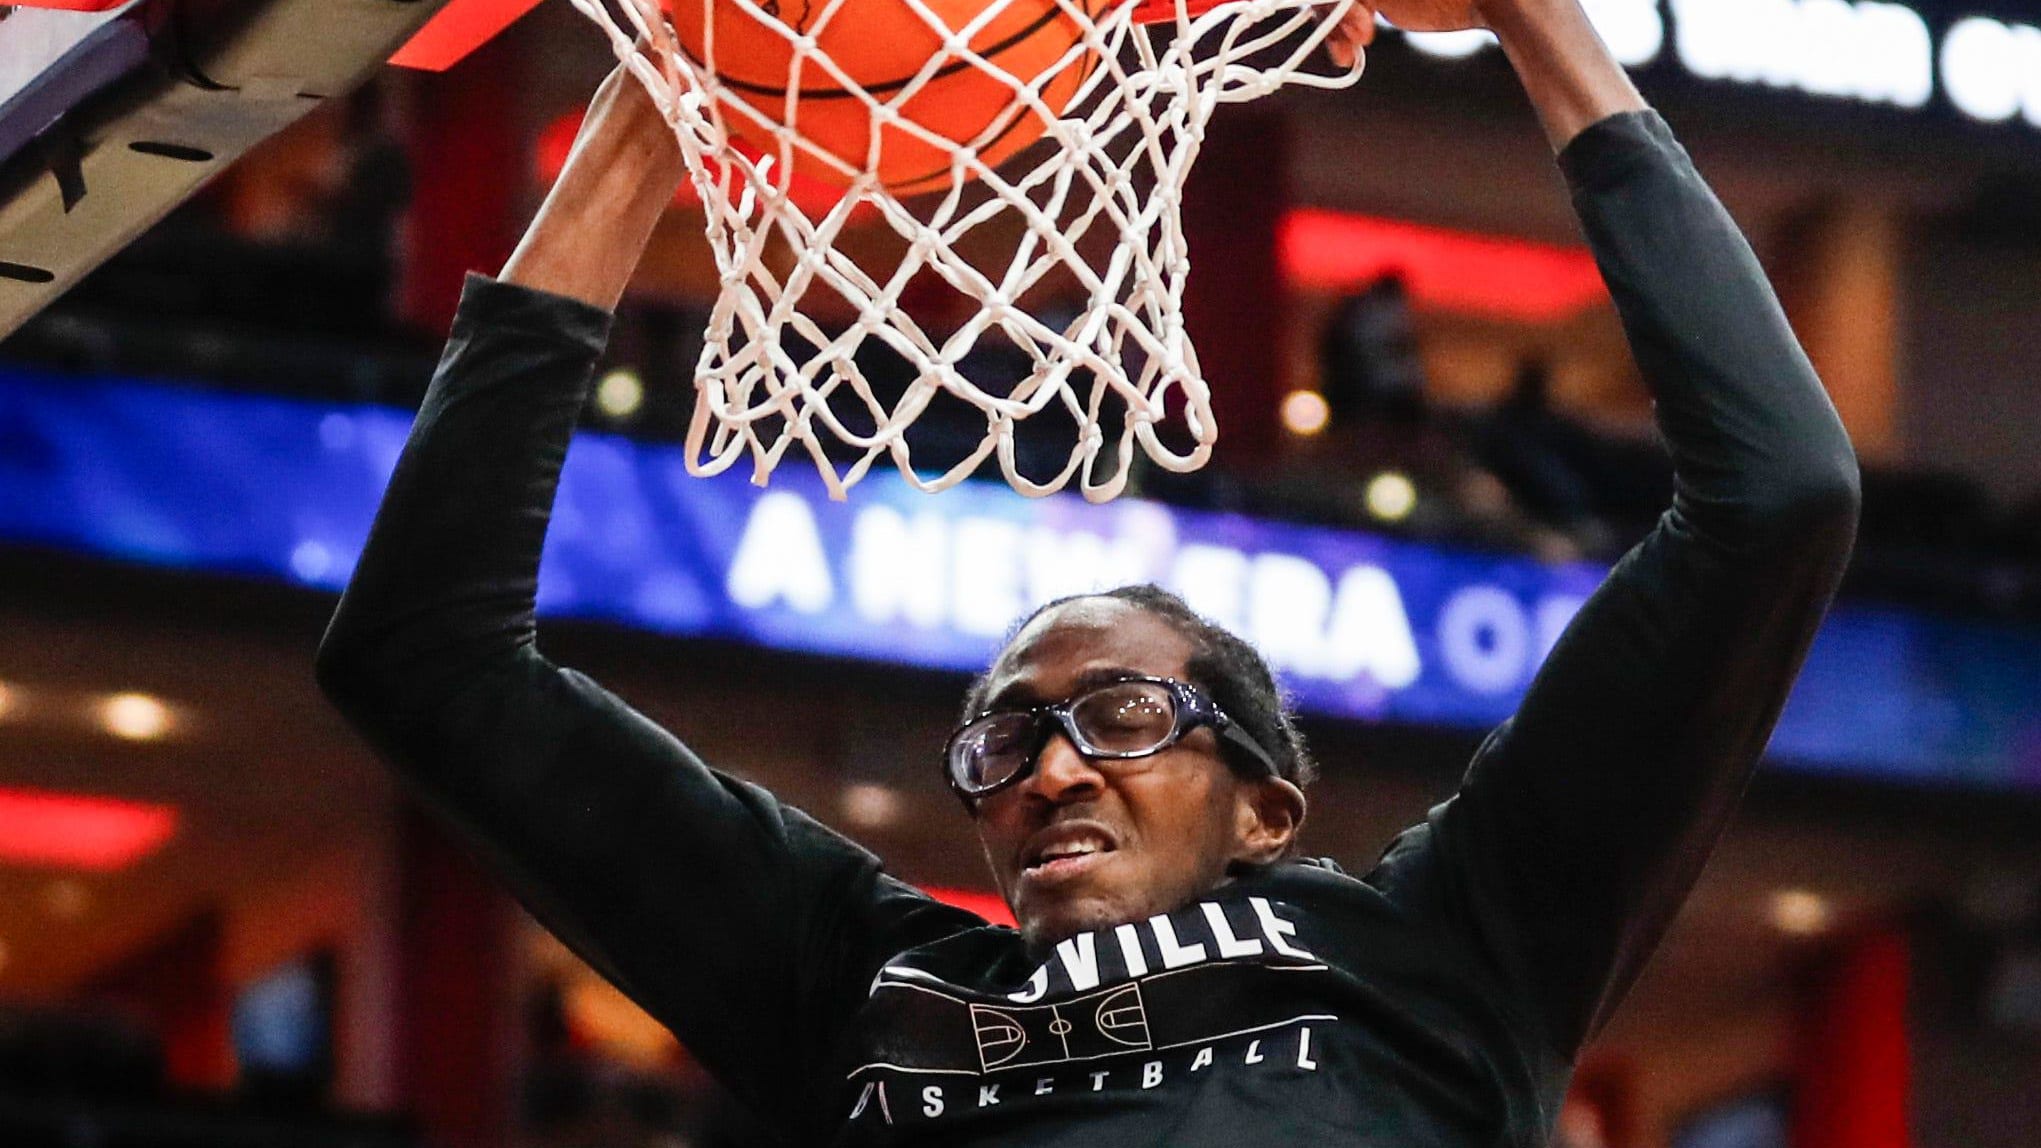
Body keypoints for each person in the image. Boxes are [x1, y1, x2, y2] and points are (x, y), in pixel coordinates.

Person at [315, 0, 1861, 1143]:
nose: (1046, 768)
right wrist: (661, 103)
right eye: (1002, 739)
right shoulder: (867, 983)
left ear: (1266, 806)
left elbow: (1776, 491)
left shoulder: (1444, 949)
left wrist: (1538, 25)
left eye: (1121, 717)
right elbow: (420, 655)